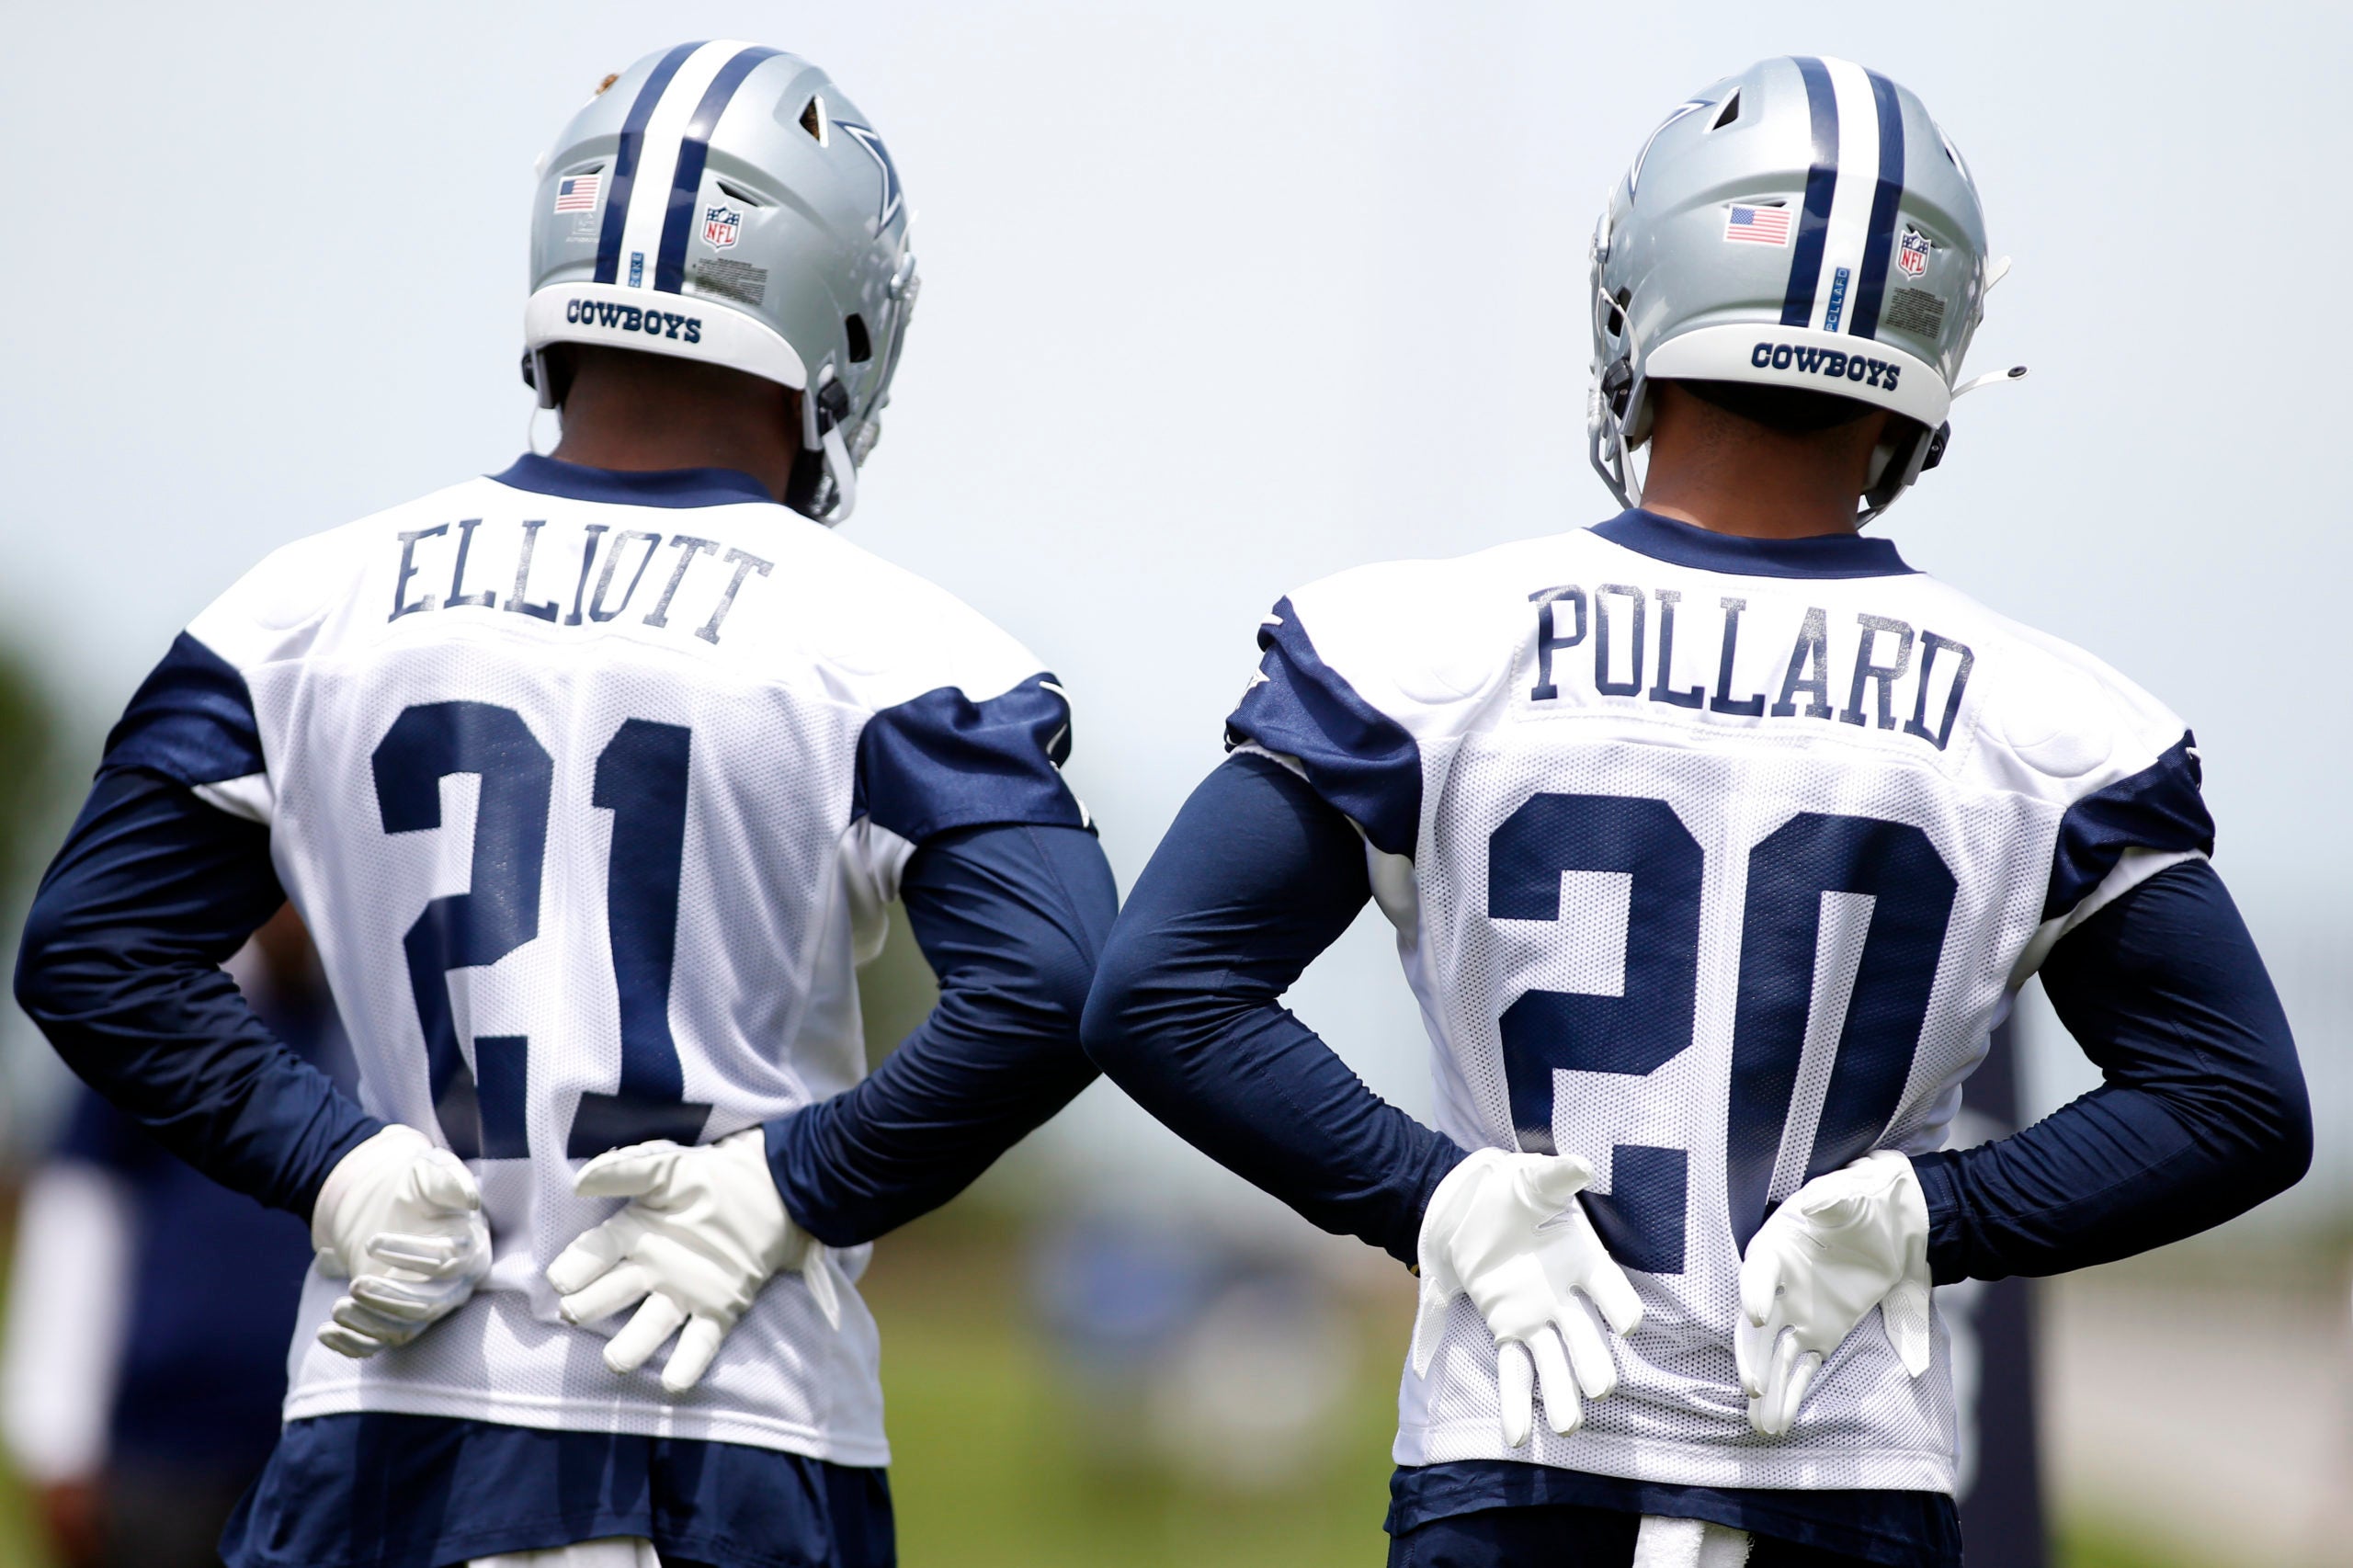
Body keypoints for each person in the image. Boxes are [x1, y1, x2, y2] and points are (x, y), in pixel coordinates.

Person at [1081, 55, 2309, 1568]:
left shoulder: (1438, 648)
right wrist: (1934, 1216)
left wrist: (1437, 1197)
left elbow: (1160, 989)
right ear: (1928, 361)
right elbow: (2236, 1101)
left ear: (1642, 294)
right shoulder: (2044, 720)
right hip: (1842, 1480)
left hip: (1516, 1465)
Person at [16, 41, 1116, 1568]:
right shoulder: (905, 647)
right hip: (732, 1434)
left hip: (379, 1425)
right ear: (840, 318)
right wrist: (794, 1182)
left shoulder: (302, 605)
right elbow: (1068, 981)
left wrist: (331, 1160)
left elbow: (90, 949)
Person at [2, 908, 349, 1568]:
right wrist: (59, 1438)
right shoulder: (160, 1013)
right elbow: (79, 1219)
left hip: (329, 1459)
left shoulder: (369, 1030)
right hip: (165, 1457)